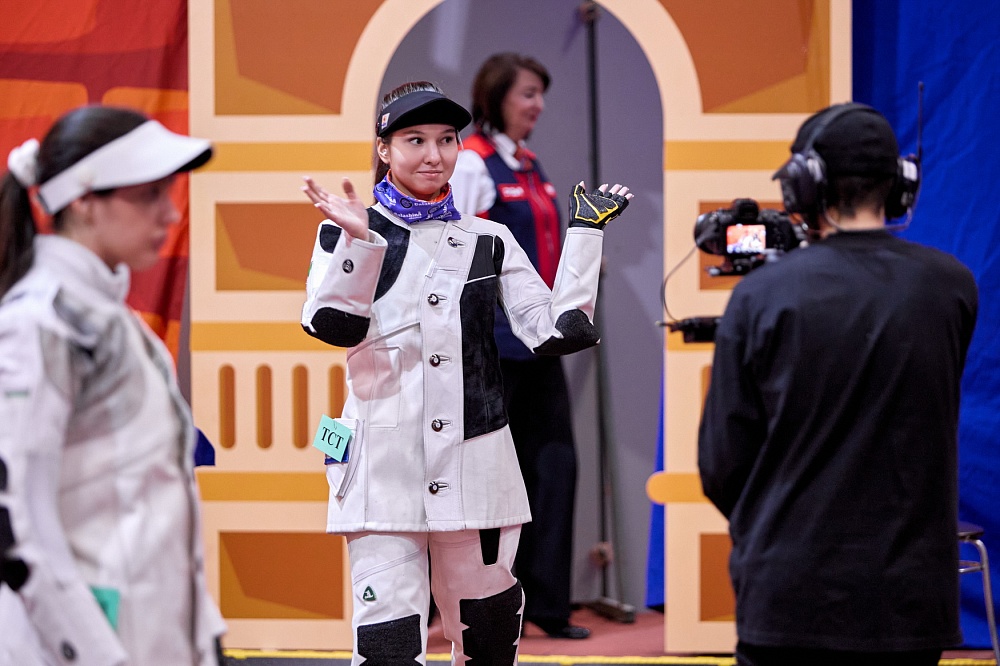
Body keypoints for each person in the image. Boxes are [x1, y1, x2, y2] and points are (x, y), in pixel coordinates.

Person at [300, 81, 630, 664]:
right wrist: (362, 244)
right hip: (381, 469)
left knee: (489, 639)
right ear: (384, 148)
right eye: (415, 140)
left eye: (447, 140)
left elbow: (557, 332)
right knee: (387, 646)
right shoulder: (346, 229)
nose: (434, 155)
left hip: (478, 467)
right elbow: (332, 326)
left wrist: (585, 234)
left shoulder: (489, 239)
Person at [698, 102, 978, 666]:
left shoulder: (761, 296)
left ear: (805, 183)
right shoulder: (952, 286)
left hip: (789, 595)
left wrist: (774, 526)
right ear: (901, 184)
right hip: (909, 602)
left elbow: (722, 463)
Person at [0, 106, 227, 665]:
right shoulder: (40, 322)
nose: (170, 213)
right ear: (83, 200)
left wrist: (204, 641)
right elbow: (19, 525)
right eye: (149, 194)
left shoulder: (108, 318)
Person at [450, 53, 588, 640]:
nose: (538, 105)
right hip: (490, 350)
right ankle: (477, 605)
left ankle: (549, 607)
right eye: (528, 93)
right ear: (496, 96)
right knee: (485, 478)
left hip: (538, 344)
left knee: (554, 470)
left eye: (541, 94)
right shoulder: (471, 163)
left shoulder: (529, 164)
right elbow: (451, 249)